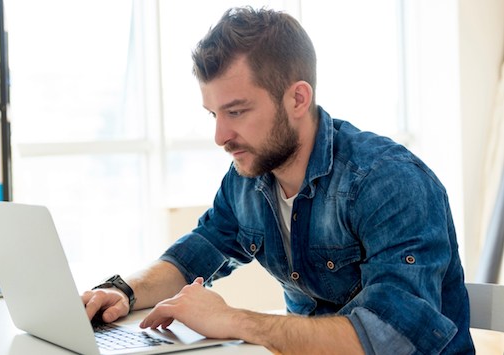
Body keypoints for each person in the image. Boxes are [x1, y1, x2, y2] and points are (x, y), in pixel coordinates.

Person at [82, 6, 474, 354]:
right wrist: (122, 291)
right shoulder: (250, 176)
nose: (219, 136)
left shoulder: (387, 183)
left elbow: (388, 339)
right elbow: (196, 253)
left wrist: (236, 321)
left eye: (236, 111)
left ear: (298, 99)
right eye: (213, 114)